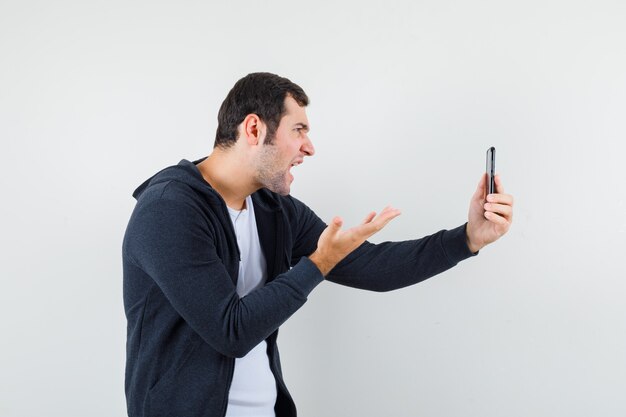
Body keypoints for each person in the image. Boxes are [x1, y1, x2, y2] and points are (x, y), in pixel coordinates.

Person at [122, 72, 514, 417]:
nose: (310, 147)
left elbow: (374, 268)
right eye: (298, 130)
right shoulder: (169, 210)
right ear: (254, 129)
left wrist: (468, 238)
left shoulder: (274, 210)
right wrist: (317, 264)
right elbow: (231, 331)